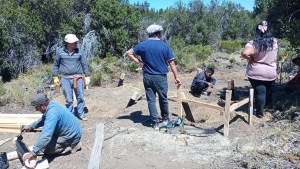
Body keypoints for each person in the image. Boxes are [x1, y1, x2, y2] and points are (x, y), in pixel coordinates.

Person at [126, 24, 181, 130]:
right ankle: (165, 119)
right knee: (163, 98)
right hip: (160, 77)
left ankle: (155, 123)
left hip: (147, 76)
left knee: (151, 100)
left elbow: (128, 53)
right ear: (158, 34)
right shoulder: (164, 46)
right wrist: (176, 77)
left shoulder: (143, 45)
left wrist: (139, 62)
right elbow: (172, 64)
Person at [22, 93, 82, 162]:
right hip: (69, 131)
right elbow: (43, 119)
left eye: (36, 108)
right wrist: (30, 127)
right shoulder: (50, 105)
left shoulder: (52, 113)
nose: (36, 110)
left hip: (71, 135)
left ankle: (71, 146)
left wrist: (34, 152)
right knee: (42, 143)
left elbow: (46, 135)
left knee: (44, 149)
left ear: (43, 106)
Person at [241, 21, 278, 118]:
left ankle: (259, 112)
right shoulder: (274, 41)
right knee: (268, 89)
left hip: (257, 72)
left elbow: (244, 53)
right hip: (271, 71)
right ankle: (268, 107)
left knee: (260, 92)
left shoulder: (253, 43)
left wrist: (251, 59)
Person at [52, 34, 90, 120]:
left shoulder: (79, 52)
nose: (76, 43)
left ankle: (81, 114)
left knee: (80, 97)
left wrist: (87, 76)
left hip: (78, 78)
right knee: (68, 99)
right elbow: (55, 65)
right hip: (65, 78)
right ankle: (70, 116)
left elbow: (84, 64)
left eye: (76, 42)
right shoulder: (60, 52)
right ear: (68, 43)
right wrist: (55, 77)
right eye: (74, 42)